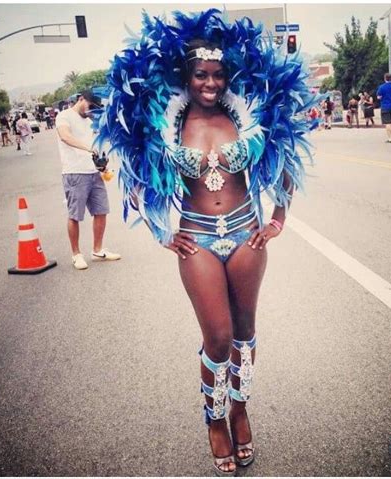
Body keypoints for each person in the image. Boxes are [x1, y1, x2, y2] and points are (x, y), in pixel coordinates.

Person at [94, 10, 316, 476]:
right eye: (201, 75)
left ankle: (239, 408)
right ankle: (214, 420)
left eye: (217, 75)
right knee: (216, 336)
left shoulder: (248, 114)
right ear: (187, 77)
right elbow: (133, 175)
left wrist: (277, 219)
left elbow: (286, 160)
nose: (210, 83)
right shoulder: (165, 123)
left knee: (245, 333)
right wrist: (161, 231)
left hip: (246, 233)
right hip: (196, 237)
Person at [55, 90, 121, 270]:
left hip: (94, 173)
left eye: (95, 109)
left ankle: (97, 250)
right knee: (75, 215)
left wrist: (102, 164)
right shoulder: (64, 116)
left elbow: (96, 146)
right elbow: (65, 137)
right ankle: (76, 254)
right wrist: (88, 149)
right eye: (91, 106)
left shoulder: (90, 122)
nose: (91, 110)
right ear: (81, 99)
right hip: (74, 173)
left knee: (101, 211)